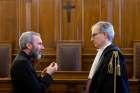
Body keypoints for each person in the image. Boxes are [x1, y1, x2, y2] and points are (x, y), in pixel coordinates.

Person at [85, 21, 130, 93]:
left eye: (94, 35)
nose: (91, 39)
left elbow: (112, 86)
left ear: (105, 35)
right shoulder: (102, 52)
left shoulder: (114, 55)